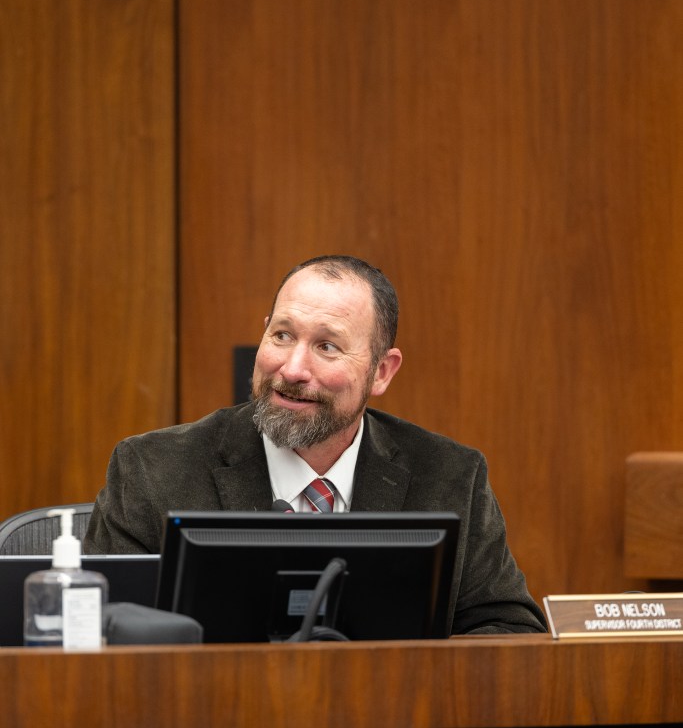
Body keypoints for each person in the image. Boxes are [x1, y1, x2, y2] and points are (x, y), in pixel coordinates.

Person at [85, 254, 546, 634]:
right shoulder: (152, 469)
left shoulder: (450, 476)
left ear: (381, 371)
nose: (292, 369)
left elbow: (507, 629)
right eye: (282, 336)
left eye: (327, 347)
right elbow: (97, 632)